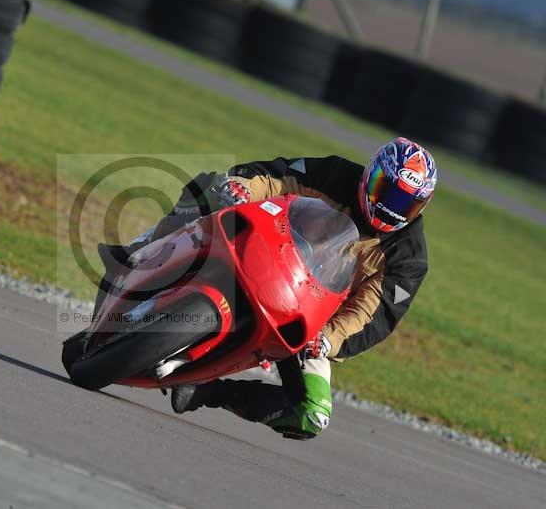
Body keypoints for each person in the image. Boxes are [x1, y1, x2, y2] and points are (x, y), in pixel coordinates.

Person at [161, 137, 437, 440]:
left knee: (312, 414)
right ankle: (144, 251)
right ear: (371, 173)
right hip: (267, 255)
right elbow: (275, 178)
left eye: (405, 204)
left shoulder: (409, 258)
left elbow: (372, 314)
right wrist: (243, 188)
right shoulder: (335, 174)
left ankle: (205, 391)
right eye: (386, 191)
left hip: (308, 322)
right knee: (212, 187)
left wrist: (327, 339)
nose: (390, 207)